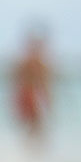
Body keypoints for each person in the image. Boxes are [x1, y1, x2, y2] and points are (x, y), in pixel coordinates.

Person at [9, 23, 54, 151]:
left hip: (25, 96)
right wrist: (49, 102)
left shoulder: (24, 61)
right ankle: (31, 156)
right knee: (36, 128)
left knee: (31, 128)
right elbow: (44, 85)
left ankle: (27, 156)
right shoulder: (35, 62)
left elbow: (14, 83)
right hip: (29, 96)